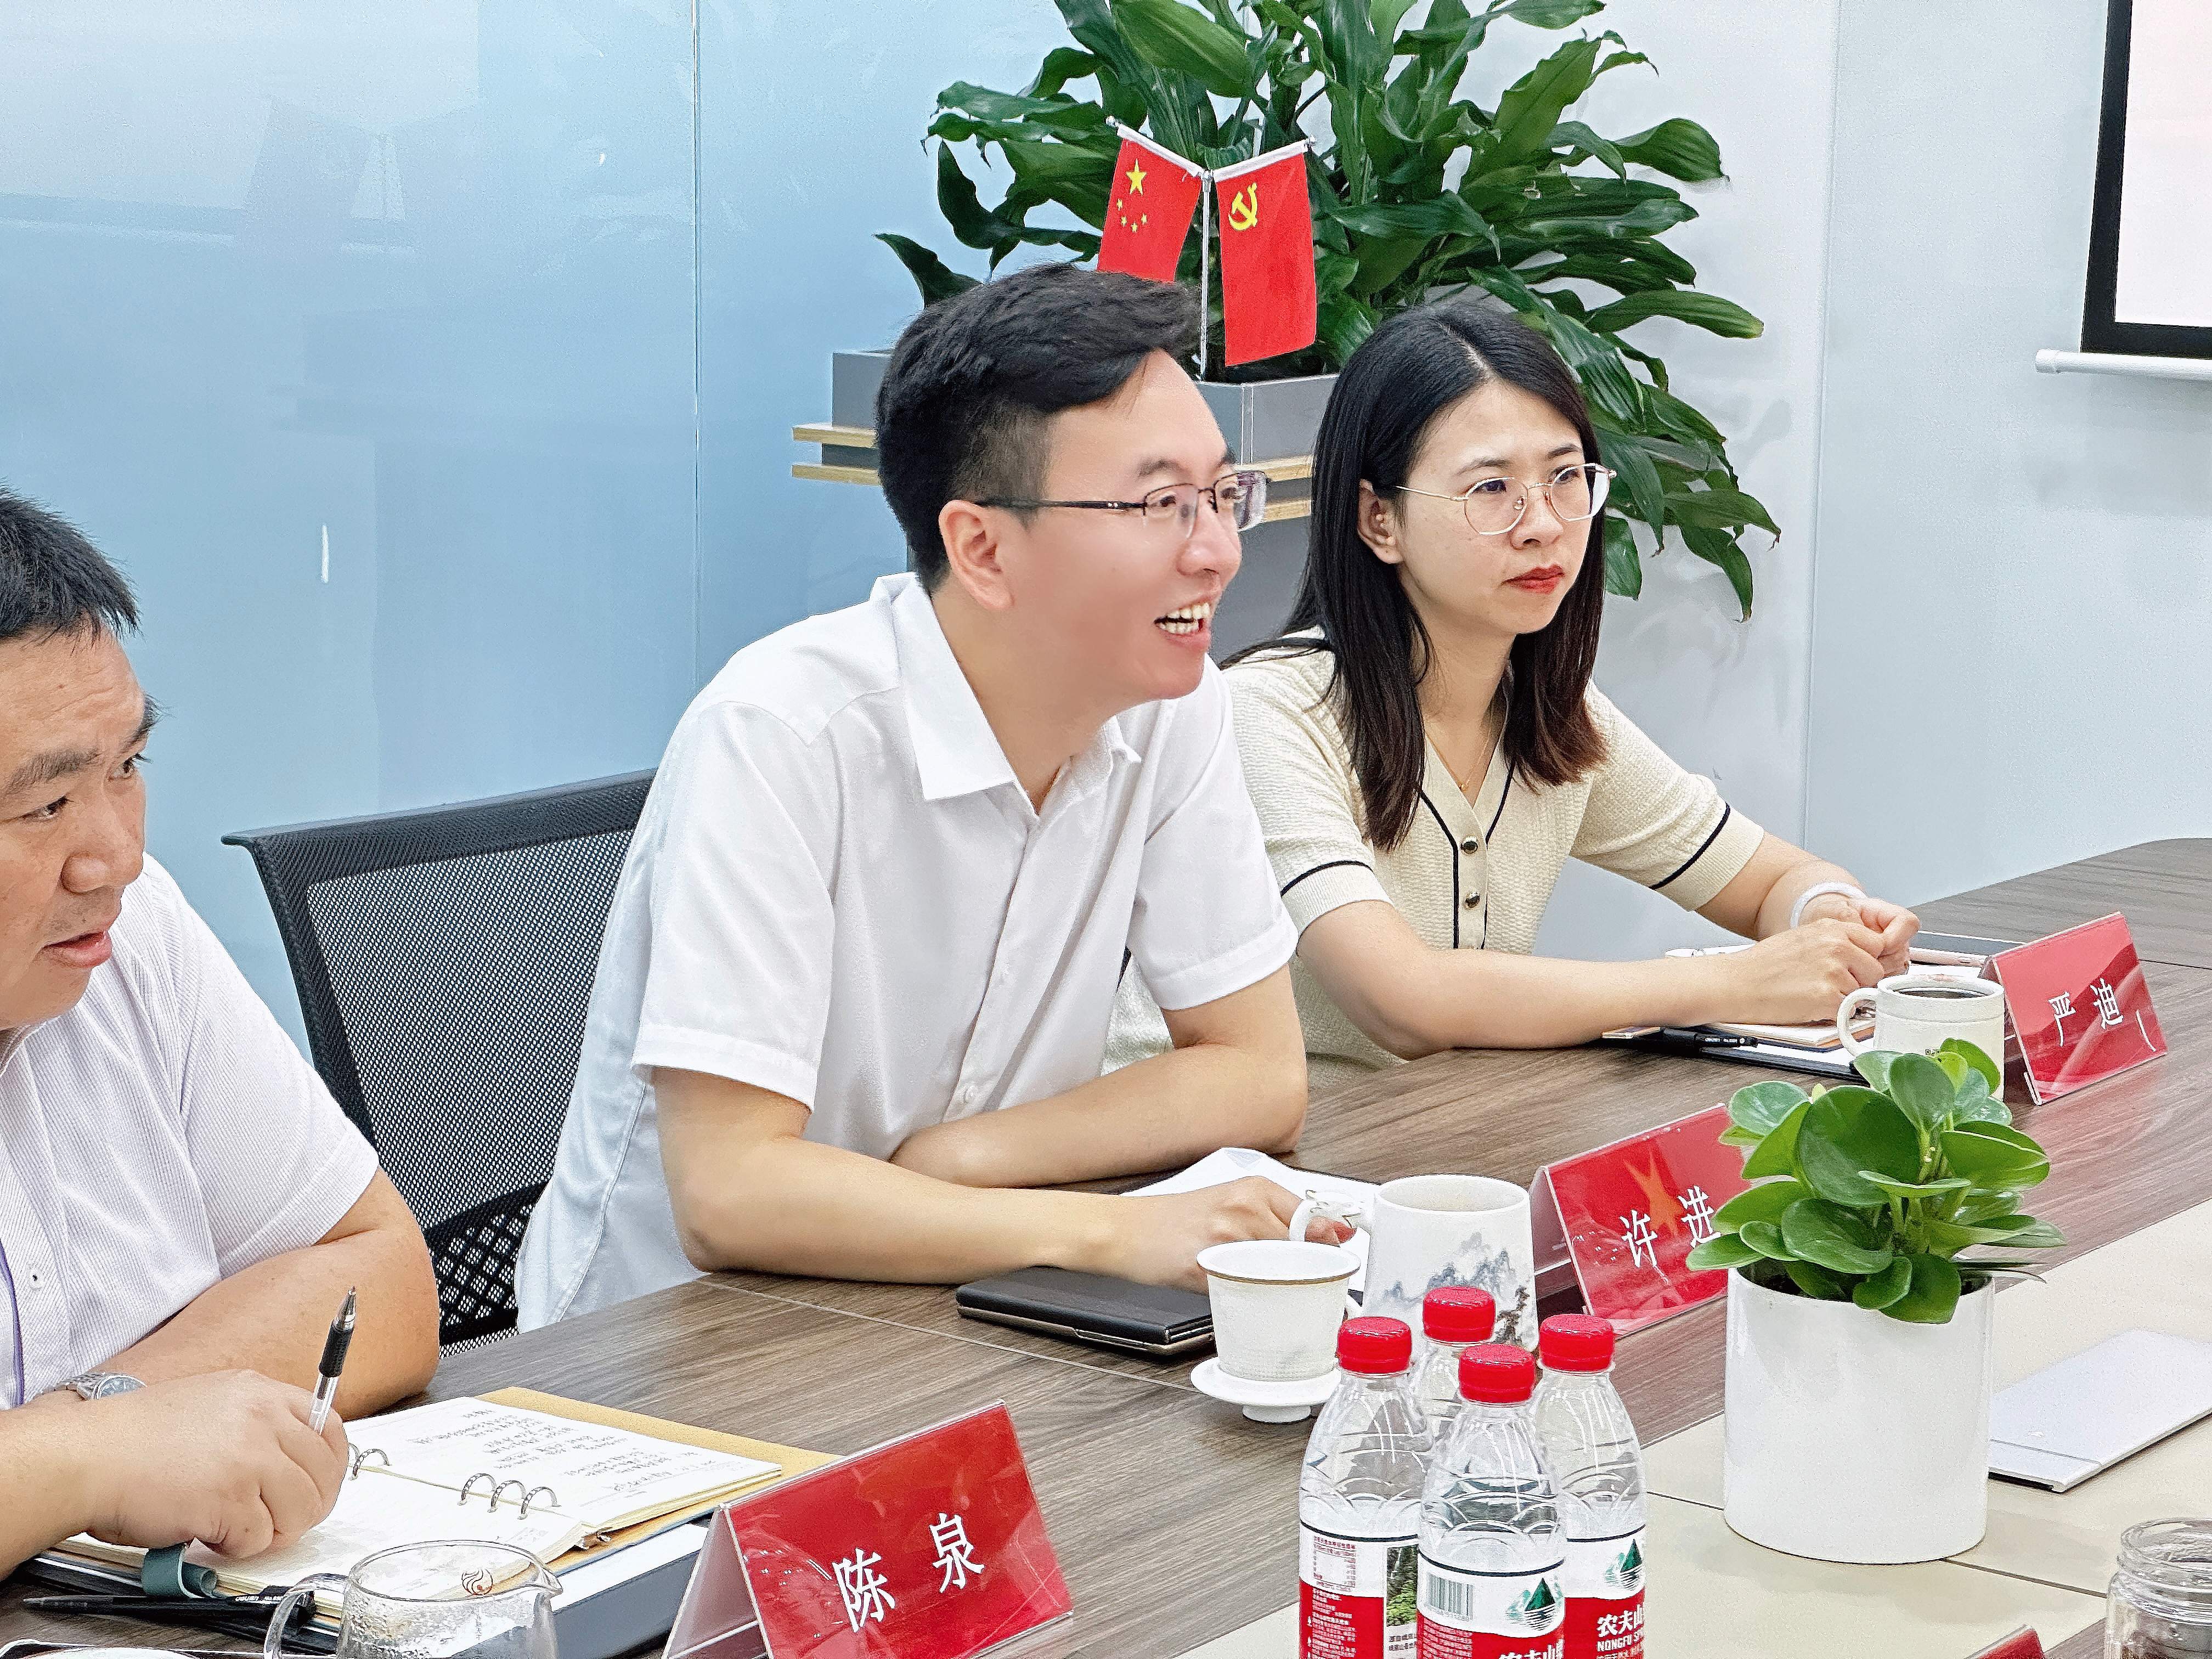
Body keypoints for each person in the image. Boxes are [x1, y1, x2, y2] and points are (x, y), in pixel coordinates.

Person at [518, 264, 1340, 1329]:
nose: (1219, 551)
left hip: (956, 1308)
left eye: (1223, 495)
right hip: (674, 1352)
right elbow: (731, 1191)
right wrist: (1110, 1234)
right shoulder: (781, 736)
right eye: (1159, 505)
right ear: (982, 549)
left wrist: (964, 1157)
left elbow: (1258, 1072)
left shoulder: (1167, 705)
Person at [1108, 298, 1918, 1096]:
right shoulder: (1271, 713)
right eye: (1491, 488)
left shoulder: (1549, 711)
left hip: (1429, 1139)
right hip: (1206, 1154)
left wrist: (1833, 922)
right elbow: (1402, 1001)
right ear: (1379, 520)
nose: (1543, 525)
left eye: (1566, 478)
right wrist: (1735, 983)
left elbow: (1771, 880)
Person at [0, 489, 442, 1573]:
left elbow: (382, 1276)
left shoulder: (127, 934)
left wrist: (97, 1419)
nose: (116, 858)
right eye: (44, 807)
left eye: (126, 768)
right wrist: (83, 1462)